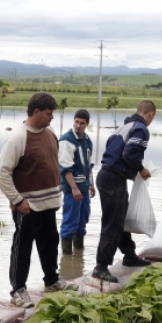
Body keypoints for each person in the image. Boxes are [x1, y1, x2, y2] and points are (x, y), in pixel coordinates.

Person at [0, 92, 79, 308]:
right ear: (36, 112)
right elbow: (2, 172)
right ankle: (18, 289)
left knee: (50, 244)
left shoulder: (49, 131)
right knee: (22, 248)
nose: (52, 117)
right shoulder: (18, 137)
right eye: (49, 113)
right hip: (28, 206)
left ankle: (51, 280)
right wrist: (16, 199)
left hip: (49, 204)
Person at [91, 100, 155, 283]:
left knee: (121, 219)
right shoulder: (141, 128)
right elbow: (130, 153)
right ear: (150, 114)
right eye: (151, 118)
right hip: (112, 179)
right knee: (113, 223)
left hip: (108, 175)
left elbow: (114, 149)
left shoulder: (124, 126)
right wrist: (141, 169)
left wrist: (129, 172)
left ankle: (129, 255)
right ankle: (100, 267)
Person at [59, 109, 95, 255]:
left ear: (87, 124)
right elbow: (65, 167)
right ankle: (67, 259)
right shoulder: (66, 140)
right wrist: (74, 188)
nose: (78, 125)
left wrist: (92, 183)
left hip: (84, 187)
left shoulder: (87, 140)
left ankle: (79, 252)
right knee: (70, 222)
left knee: (82, 221)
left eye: (82, 123)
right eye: (76, 122)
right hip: (72, 189)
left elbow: (88, 165)